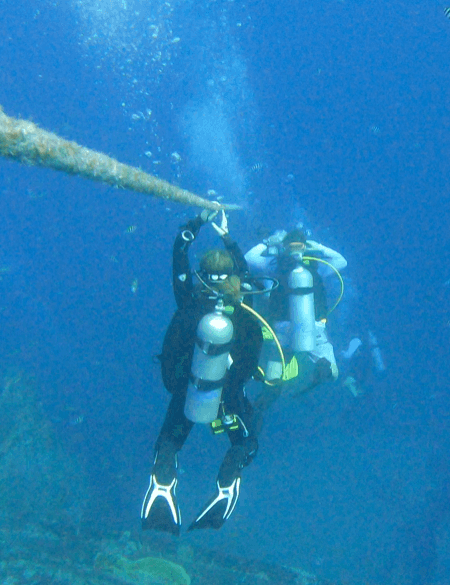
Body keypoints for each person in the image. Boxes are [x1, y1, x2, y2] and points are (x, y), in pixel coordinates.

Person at [141, 210, 263, 535]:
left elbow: (179, 254)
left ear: (201, 274)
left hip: (187, 392)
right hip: (229, 397)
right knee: (245, 442)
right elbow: (249, 362)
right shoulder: (243, 305)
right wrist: (226, 235)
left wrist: (195, 223)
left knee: (169, 440)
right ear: (234, 279)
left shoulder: (188, 300)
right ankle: (227, 484)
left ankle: (163, 486)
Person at [244, 228, 347, 404]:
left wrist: (268, 242)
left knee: (275, 366)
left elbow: (249, 258)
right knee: (334, 372)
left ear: (284, 247)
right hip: (313, 327)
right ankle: (324, 368)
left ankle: (270, 389)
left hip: (282, 329)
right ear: (305, 247)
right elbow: (342, 262)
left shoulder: (275, 266)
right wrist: (320, 248)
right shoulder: (316, 266)